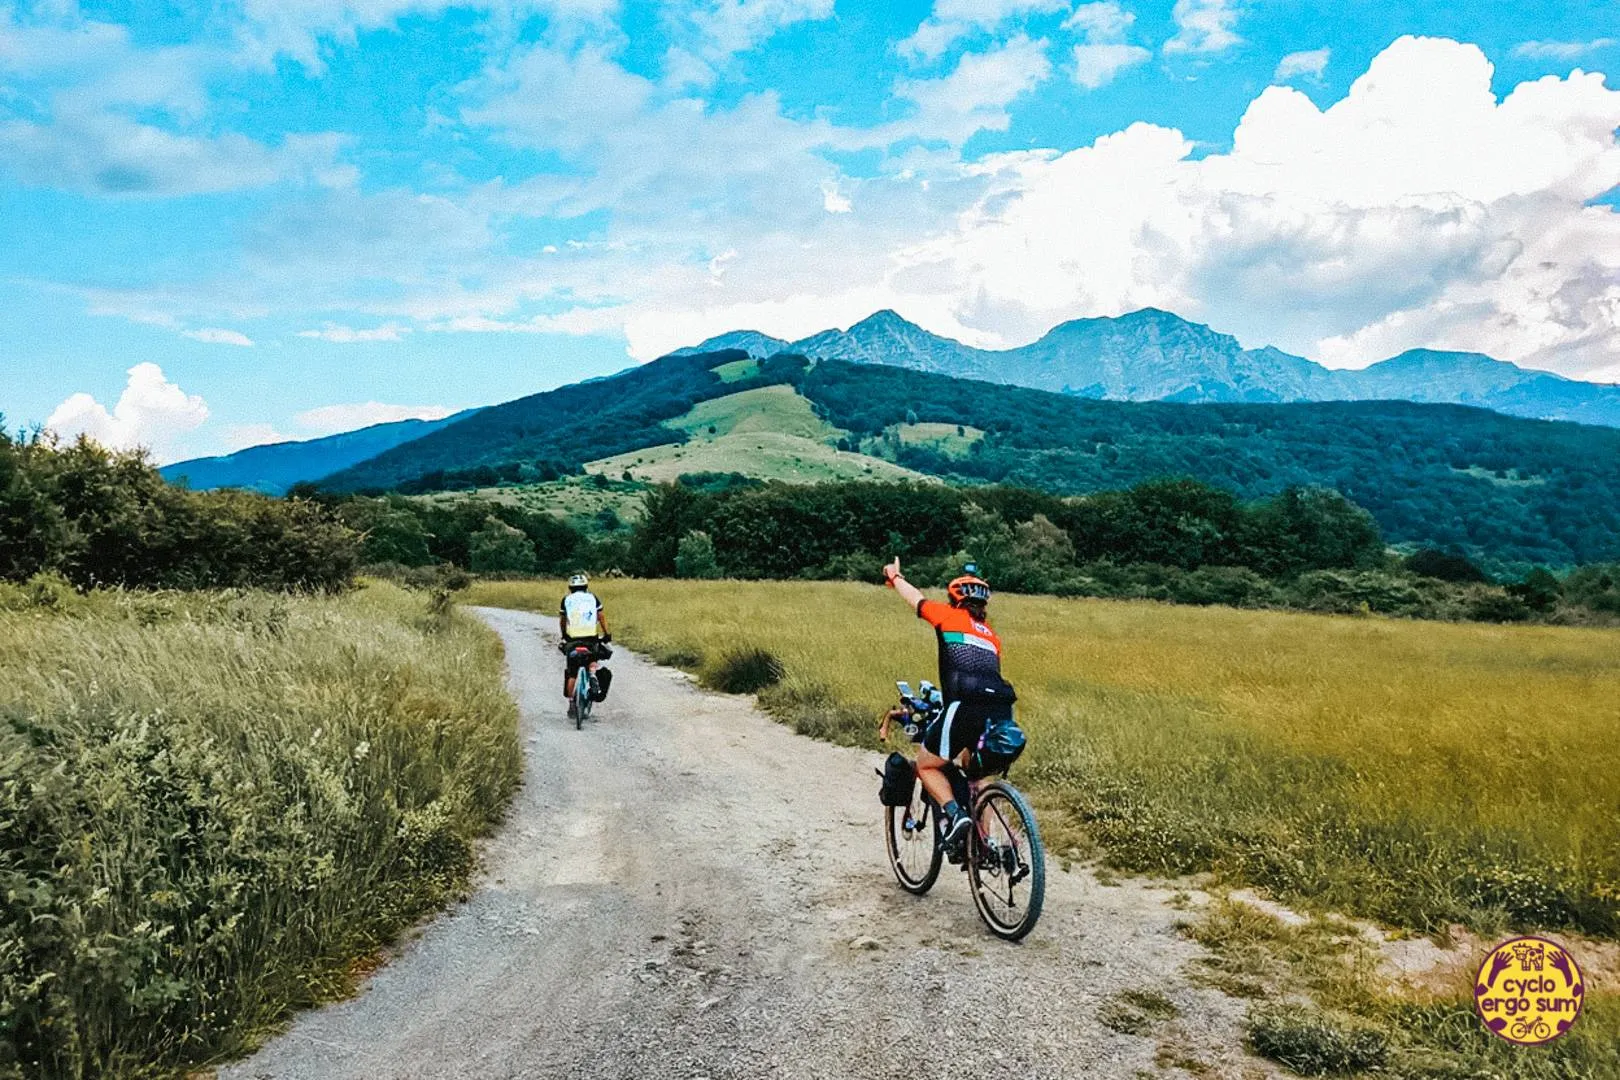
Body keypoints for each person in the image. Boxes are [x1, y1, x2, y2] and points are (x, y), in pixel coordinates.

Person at [882, 557, 1024, 854]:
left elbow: (915, 599)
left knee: (926, 764)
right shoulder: (991, 637)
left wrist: (895, 577)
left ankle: (956, 815)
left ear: (954, 598)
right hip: (1000, 710)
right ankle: (987, 845)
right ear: (983, 605)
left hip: (964, 705)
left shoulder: (947, 616)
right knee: (976, 775)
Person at [559, 571, 612, 718]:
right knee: (592, 659)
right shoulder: (592, 598)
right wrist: (607, 633)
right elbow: (601, 616)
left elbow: (563, 620)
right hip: (590, 638)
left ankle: (571, 704)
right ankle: (593, 675)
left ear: (570, 588)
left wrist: (564, 635)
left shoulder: (566, 600)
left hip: (573, 639)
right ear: (586, 586)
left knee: (572, 673)